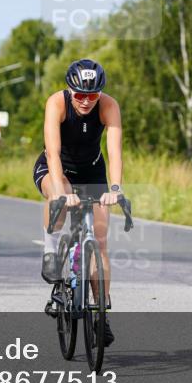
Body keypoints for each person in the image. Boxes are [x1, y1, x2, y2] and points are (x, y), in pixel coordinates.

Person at [33, 59, 122, 346]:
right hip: (56, 167)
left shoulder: (109, 106)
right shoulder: (57, 103)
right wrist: (62, 190)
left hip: (91, 169)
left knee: (100, 237)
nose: (86, 101)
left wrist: (116, 189)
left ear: (100, 94)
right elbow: (53, 153)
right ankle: (50, 250)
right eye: (80, 95)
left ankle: (101, 314)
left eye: (92, 95)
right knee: (58, 196)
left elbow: (115, 151)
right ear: (70, 90)